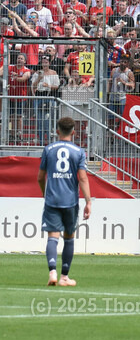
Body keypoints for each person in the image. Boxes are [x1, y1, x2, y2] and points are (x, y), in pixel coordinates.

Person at [38, 116, 90, 287]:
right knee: (69, 238)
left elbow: (40, 177)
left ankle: (52, 272)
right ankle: (64, 277)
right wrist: (88, 201)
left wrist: (44, 193)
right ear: (73, 132)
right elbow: (83, 178)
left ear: (57, 131)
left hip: (52, 199)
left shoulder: (48, 149)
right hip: (70, 201)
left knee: (52, 237)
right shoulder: (79, 152)